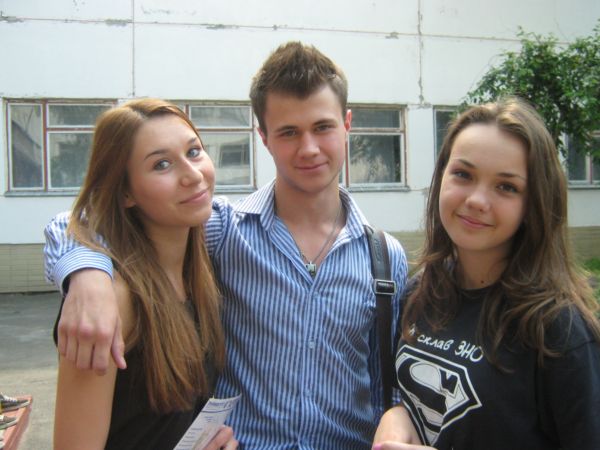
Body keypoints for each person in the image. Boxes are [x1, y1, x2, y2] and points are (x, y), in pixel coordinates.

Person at [44, 42, 409, 449]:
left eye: (322, 127)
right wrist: (87, 274)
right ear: (264, 137)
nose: (308, 148)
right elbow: (80, 221)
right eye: (289, 132)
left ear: (347, 124)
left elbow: (388, 386)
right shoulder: (225, 231)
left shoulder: (384, 259)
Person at [372, 98, 600, 450]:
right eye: (463, 174)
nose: (477, 200)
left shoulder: (559, 330)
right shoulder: (420, 292)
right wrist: (398, 413)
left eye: (506, 186)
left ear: (534, 203)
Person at [51, 99, 237, 449]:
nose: (193, 175)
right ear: (125, 192)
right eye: (161, 164)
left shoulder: (201, 273)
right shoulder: (112, 302)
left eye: (194, 152)